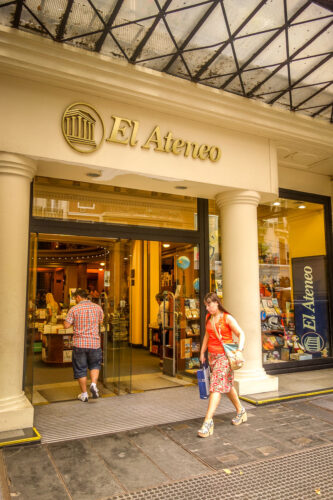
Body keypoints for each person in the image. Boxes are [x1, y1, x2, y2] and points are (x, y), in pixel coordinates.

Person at [198, 292, 246, 438]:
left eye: (209, 305)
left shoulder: (227, 318)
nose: (207, 308)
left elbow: (241, 334)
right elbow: (207, 335)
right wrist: (202, 352)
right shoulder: (209, 318)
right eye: (206, 305)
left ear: (216, 303)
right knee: (226, 385)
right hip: (213, 357)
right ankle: (241, 411)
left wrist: (239, 350)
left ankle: (208, 422)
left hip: (225, 357)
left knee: (216, 387)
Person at [64, 288, 104, 402]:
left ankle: (84, 394)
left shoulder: (74, 309)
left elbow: (66, 325)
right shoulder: (98, 307)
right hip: (94, 343)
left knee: (80, 368)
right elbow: (100, 321)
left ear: (78, 297)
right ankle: (93, 385)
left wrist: (74, 324)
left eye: (75, 298)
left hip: (80, 343)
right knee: (95, 365)